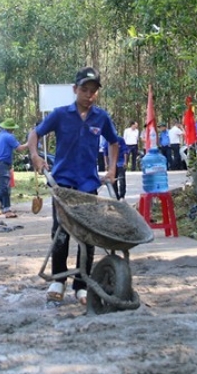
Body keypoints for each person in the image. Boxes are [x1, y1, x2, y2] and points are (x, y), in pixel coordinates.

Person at [28, 66, 119, 306]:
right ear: (75, 89)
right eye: (84, 90)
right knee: (61, 231)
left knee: (87, 235)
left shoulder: (101, 117)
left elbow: (113, 141)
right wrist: (36, 157)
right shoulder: (59, 114)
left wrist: (111, 170)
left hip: (88, 184)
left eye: (93, 91)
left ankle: (82, 284)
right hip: (63, 183)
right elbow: (34, 134)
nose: (89, 95)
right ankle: (58, 279)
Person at [109, 135, 130, 200]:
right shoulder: (107, 140)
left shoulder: (120, 139)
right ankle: (116, 196)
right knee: (113, 180)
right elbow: (105, 153)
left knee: (121, 180)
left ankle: (122, 196)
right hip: (112, 164)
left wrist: (125, 162)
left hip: (121, 162)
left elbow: (125, 151)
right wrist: (107, 164)